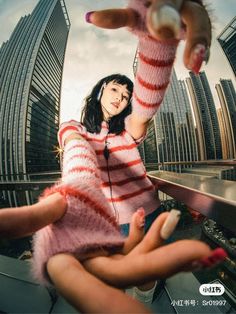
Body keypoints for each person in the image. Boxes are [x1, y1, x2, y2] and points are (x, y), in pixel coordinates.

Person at [0, 0, 226, 313]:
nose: (120, 99)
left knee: (146, 274)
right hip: (108, 224)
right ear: (100, 90)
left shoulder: (128, 131)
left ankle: (145, 299)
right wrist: (77, 197)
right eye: (115, 90)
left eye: (125, 95)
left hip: (147, 213)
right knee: (113, 278)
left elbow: (144, 109)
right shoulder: (73, 126)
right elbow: (77, 156)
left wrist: (156, 46)